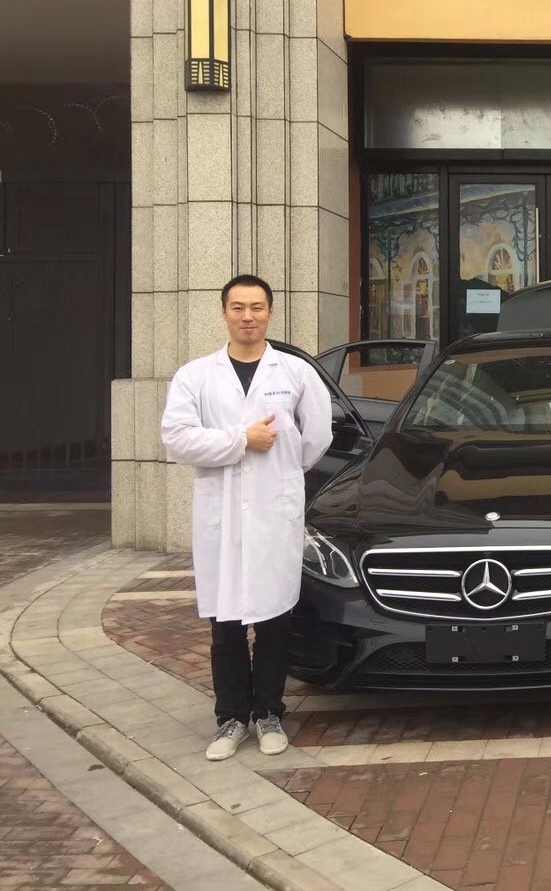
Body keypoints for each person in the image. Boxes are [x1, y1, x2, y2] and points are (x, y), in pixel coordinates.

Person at [160, 275, 332, 761]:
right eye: (238, 307)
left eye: (257, 307)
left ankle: (269, 712)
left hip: (274, 513)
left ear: (270, 313)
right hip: (222, 516)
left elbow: (317, 436)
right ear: (225, 313)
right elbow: (177, 438)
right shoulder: (196, 375)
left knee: (276, 618)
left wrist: (281, 474)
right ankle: (231, 718)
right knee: (226, 623)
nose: (248, 316)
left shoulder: (295, 372)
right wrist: (241, 442)